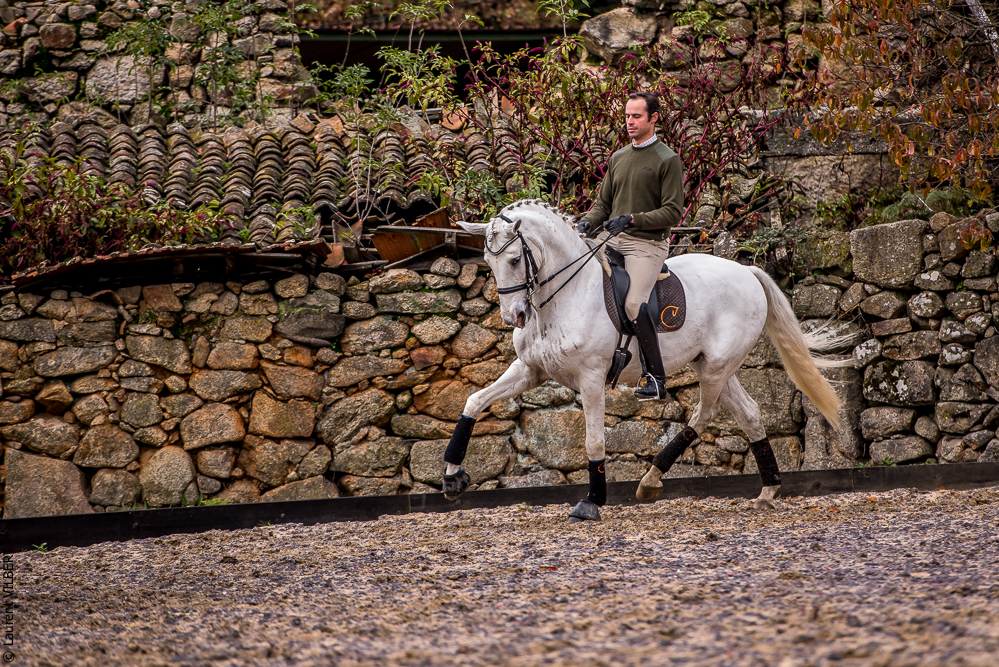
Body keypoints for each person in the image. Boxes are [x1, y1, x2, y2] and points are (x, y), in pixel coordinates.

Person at [577, 91, 684, 401]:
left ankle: (655, 377)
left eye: (637, 116)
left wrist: (632, 219)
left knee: (634, 303)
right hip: (614, 239)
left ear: (653, 118)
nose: (630, 122)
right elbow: (602, 205)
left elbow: (673, 212)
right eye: (627, 116)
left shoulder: (667, 159)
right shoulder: (619, 158)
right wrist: (586, 222)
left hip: (647, 245)